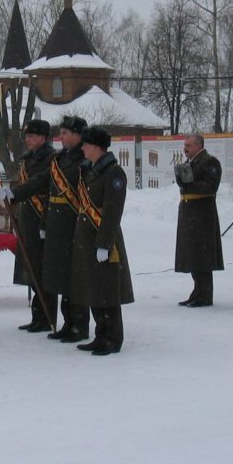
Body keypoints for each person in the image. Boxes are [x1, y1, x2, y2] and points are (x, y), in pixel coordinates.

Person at [6, 115, 90, 343]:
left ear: (77, 135)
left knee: (73, 276)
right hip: (55, 223)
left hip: (74, 222)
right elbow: (41, 181)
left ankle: (78, 324)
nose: (60, 137)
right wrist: (15, 193)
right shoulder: (60, 158)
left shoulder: (84, 158)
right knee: (60, 273)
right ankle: (66, 322)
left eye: (64, 133)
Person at [68, 126, 134, 355]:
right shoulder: (90, 171)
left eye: (86, 144)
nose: (82, 148)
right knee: (93, 288)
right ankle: (100, 335)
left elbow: (113, 212)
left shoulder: (114, 173)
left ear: (96, 147)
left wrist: (104, 243)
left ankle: (112, 338)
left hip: (104, 240)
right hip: (87, 240)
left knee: (107, 290)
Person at [8, 119, 57, 332]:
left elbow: (39, 183)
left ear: (43, 138)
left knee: (43, 271)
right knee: (33, 271)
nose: (27, 139)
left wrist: (15, 193)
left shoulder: (51, 158)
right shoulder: (27, 159)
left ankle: (47, 317)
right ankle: (38, 316)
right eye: (26, 135)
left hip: (42, 219)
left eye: (32, 135)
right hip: (28, 219)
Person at [173, 133, 224, 307]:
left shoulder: (209, 162)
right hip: (190, 214)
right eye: (184, 145)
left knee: (203, 256)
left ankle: (205, 294)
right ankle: (197, 292)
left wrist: (189, 184)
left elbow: (211, 187)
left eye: (188, 145)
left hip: (203, 215)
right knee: (193, 255)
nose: (185, 148)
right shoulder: (190, 163)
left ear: (198, 146)